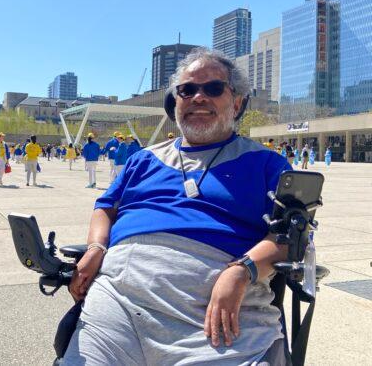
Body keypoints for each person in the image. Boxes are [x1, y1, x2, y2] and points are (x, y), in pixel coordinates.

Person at [64, 48, 292, 365]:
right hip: (119, 300)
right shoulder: (143, 159)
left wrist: (243, 271)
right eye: (187, 89)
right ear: (176, 102)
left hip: (214, 312)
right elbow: (105, 207)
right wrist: (95, 248)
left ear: (237, 102)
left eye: (213, 88)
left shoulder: (268, 164)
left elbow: (291, 238)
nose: (198, 97)